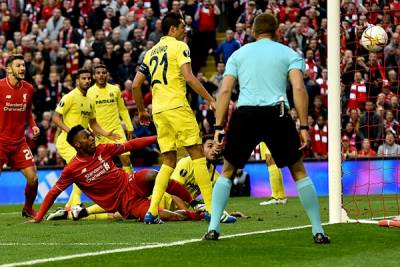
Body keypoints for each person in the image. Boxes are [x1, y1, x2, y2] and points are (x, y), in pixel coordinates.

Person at [203, 14, 329, 244]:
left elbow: (224, 92)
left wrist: (219, 127)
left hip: (245, 114)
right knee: (298, 170)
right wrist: (303, 125)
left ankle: (213, 229)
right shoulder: (289, 53)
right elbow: (299, 88)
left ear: (252, 31)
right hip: (277, 113)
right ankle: (318, 230)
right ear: (277, 31)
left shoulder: (238, 54)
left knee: (228, 171)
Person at [132, 12, 216, 224]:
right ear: (172, 29)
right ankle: (212, 210)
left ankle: (152, 212)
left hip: (159, 111)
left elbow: (135, 85)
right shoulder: (180, 46)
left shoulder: (150, 52)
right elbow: (188, 77)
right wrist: (210, 99)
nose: (184, 30)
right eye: (182, 27)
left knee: (168, 159)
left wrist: (142, 111)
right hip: (177, 105)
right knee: (197, 153)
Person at [30, 125, 202, 223]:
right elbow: (53, 193)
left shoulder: (103, 149)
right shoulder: (72, 169)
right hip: (125, 203)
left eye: (91, 135)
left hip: (131, 182)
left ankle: (195, 203)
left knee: (152, 174)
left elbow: (130, 145)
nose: (92, 138)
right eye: (87, 136)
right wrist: (38, 217)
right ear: (77, 144)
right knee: (163, 215)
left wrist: (156, 139)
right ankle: (197, 215)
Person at [52, 68, 119, 210]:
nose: (87, 81)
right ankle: (74, 204)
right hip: (67, 142)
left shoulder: (90, 101)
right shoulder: (69, 97)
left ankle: (70, 205)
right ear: (77, 80)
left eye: (88, 78)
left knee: (83, 170)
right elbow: (55, 117)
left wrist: (107, 134)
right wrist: (71, 132)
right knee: (83, 169)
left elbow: (93, 123)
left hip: (80, 144)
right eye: (83, 78)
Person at [0, 54, 40, 218]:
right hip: (0, 143)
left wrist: (33, 125)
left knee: (33, 179)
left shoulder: (29, 88)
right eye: (18, 65)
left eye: (23, 65)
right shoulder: (0, 87)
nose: (22, 68)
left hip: (19, 143)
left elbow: (28, 111)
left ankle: (28, 208)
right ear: (8, 69)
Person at [88, 64, 134, 175]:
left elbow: (122, 109)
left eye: (103, 72)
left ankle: (130, 184)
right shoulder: (89, 92)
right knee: (103, 165)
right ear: (94, 76)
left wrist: (129, 126)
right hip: (100, 133)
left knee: (126, 159)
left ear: (107, 75)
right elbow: (88, 115)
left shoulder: (115, 89)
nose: (101, 75)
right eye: (98, 73)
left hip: (116, 130)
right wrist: (92, 130)